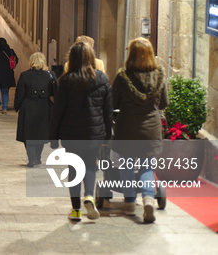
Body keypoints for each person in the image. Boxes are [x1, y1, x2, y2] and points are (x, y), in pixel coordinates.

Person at [49, 42, 113, 222]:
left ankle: (76, 210)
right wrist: (108, 135)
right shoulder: (102, 79)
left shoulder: (66, 81)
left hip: (71, 134)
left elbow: (57, 111)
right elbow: (108, 111)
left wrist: (53, 137)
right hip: (94, 133)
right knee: (91, 165)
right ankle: (90, 197)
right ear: (91, 58)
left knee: (74, 169)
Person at [111, 37, 168, 223]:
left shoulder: (123, 77)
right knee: (146, 167)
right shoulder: (159, 76)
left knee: (127, 165)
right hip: (150, 128)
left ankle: (129, 203)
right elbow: (164, 103)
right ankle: (149, 199)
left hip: (127, 127)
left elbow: (114, 102)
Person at [14, 52, 57, 167]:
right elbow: (55, 92)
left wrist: (17, 106)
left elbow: (19, 93)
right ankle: (37, 157)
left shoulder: (25, 75)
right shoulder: (50, 75)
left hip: (28, 106)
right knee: (40, 133)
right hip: (45, 106)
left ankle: (31, 158)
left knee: (28, 134)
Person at [0, 37, 17, 114]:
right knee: (5, 92)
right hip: (7, 74)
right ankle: (5, 108)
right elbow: (15, 60)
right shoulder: (10, 51)